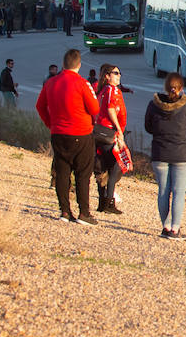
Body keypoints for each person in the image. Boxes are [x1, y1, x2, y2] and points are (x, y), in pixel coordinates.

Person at [35, 49, 102, 225]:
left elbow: (40, 106)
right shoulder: (82, 83)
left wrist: (50, 123)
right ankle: (84, 212)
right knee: (82, 173)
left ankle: (64, 211)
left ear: (63, 64)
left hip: (58, 133)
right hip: (81, 133)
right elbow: (95, 108)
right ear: (79, 65)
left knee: (63, 172)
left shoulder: (51, 82)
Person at [145, 72, 186, 239]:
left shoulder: (153, 105)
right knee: (178, 192)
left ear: (165, 87)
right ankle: (175, 228)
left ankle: (165, 226)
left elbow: (148, 127)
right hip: (182, 154)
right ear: (181, 88)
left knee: (163, 191)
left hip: (160, 152)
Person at [93, 63, 128, 216]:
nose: (118, 75)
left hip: (98, 131)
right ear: (107, 76)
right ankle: (109, 200)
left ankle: (102, 201)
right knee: (116, 165)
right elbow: (110, 109)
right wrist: (119, 130)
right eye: (115, 73)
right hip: (107, 131)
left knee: (102, 166)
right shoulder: (112, 90)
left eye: (119, 73)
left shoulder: (101, 89)